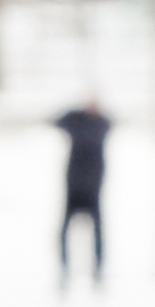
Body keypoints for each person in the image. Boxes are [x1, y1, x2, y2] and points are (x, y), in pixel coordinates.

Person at [54, 95, 116, 290]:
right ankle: (65, 269)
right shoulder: (77, 120)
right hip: (75, 185)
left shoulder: (100, 124)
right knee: (65, 230)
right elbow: (58, 121)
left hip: (92, 187)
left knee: (97, 232)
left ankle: (97, 271)